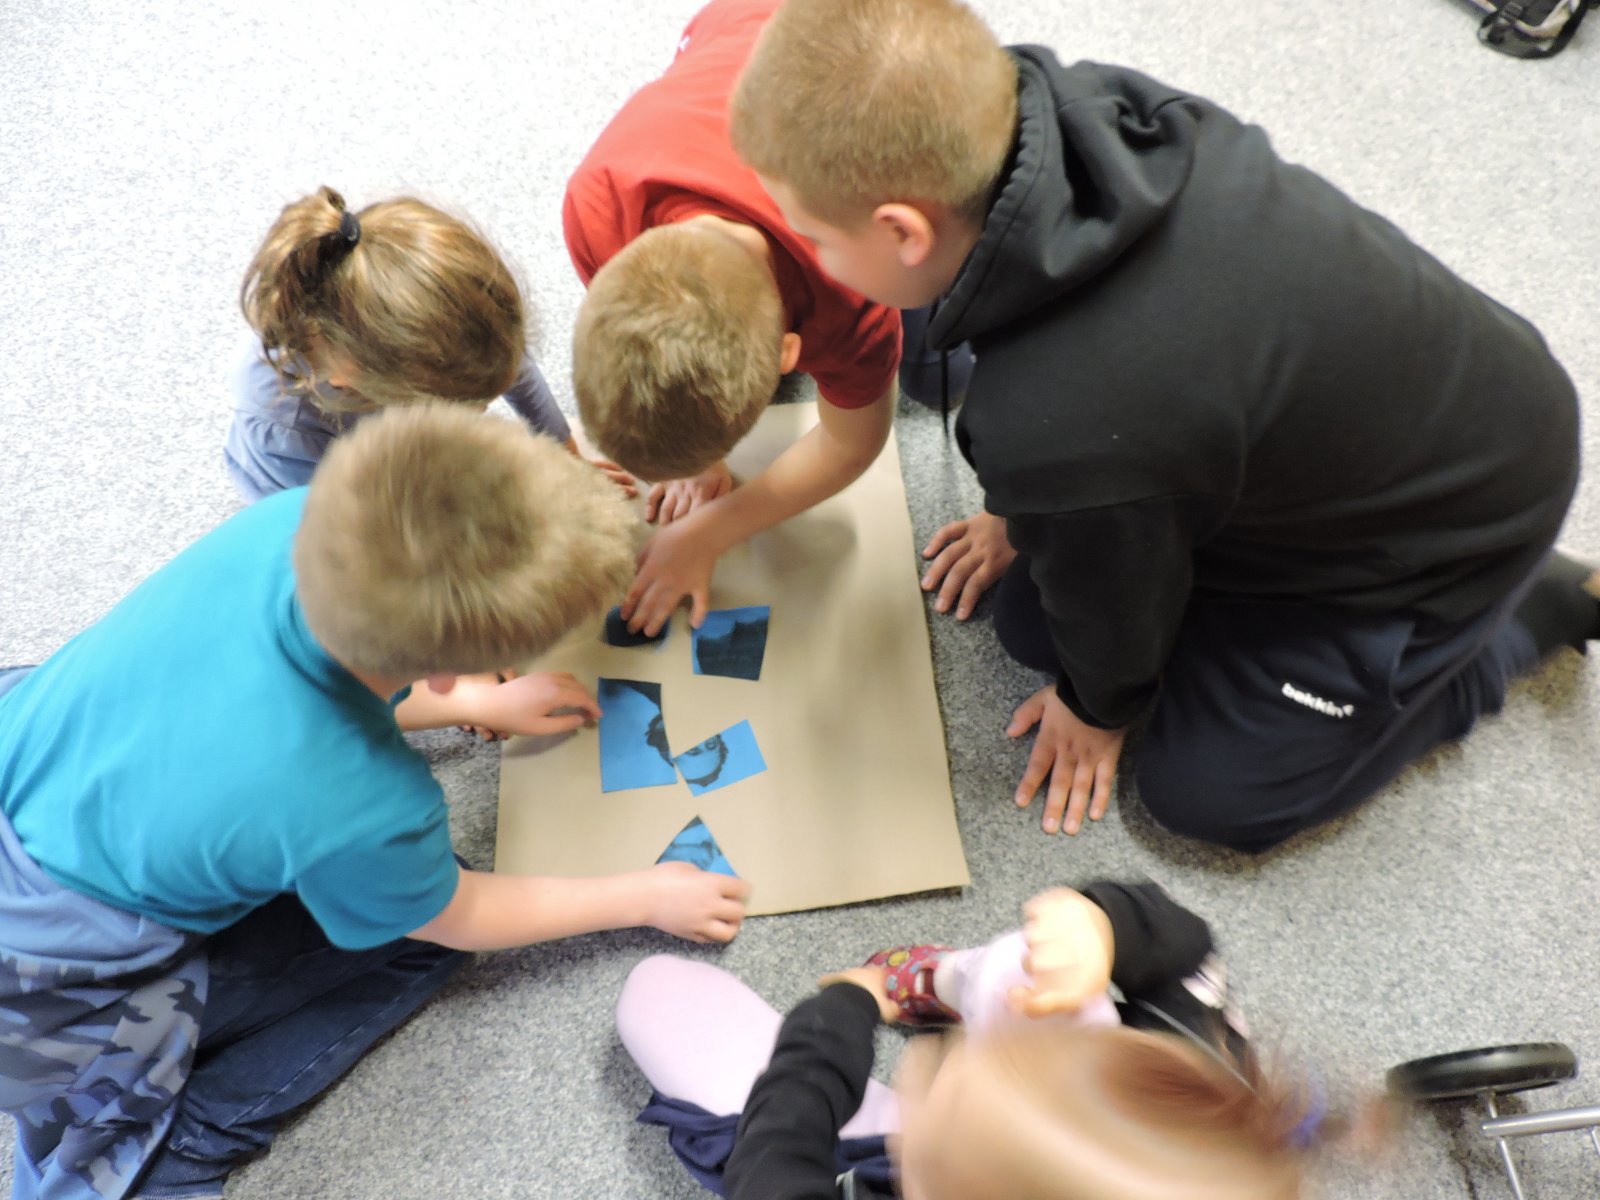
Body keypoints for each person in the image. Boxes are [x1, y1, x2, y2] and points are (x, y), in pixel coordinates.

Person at [729, 0, 1587, 850]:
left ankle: (1523, 618)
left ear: (902, 231)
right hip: (1340, 427)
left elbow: (1104, 583)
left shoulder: (1062, 427)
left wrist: (1095, 706)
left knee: (1206, 796)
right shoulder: (1068, 107)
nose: (811, 258)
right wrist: (1036, 510)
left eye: (815, 238)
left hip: (1452, 530)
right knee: (1031, 618)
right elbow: (1098, 467)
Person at [0, 406, 748, 1200]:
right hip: (49, 986)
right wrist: (643, 896)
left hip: (34, 770)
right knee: (418, 933)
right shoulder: (368, 804)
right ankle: (182, 1146)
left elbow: (322, 673)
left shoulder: (290, 521)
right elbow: (461, 913)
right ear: (455, 665)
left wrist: (474, 702)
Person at [565, 0, 943, 638]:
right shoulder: (595, 206)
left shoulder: (856, 295)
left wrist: (712, 531)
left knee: (936, 364)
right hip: (742, 26)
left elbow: (852, 445)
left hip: (879, 40)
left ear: (790, 352)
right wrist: (695, 460)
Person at [619, 881, 1317, 1199]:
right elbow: (1188, 954)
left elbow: (776, 1146)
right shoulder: (1207, 1090)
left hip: (844, 1149)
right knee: (1030, 969)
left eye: (944, 1088)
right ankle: (964, 981)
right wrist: (1101, 927)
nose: (929, 1055)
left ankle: (957, 987)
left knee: (654, 993)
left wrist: (847, 1006)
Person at [224, 185, 634, 504]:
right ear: (356, 378)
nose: (484, 411)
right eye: (469, 405)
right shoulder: (284, 434)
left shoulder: (448, 316)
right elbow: (347, 543)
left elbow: (512, 366)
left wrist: (566, 453)